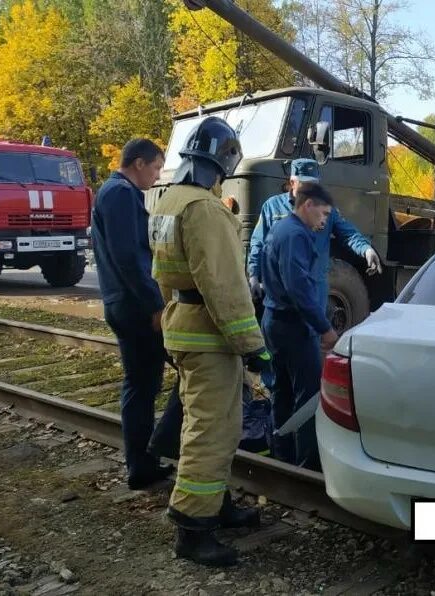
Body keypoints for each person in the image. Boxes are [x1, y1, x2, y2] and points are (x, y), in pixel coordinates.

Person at [149, 116, 272, 567]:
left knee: (205, 423)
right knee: (211, 429)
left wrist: (169, 322)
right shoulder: (206, 209)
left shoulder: (167, 202)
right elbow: (225, 287)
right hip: (209, 336)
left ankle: (214, 503)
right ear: (223, 164)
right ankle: (192, 527)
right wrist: (253, 346)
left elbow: (162, 276)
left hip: (183, 327)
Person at [91, 138, 180, 490]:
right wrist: (155, 306)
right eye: (156, 168)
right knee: (190, 370)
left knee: (143, 386)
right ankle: (152, 453)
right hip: (134, 306)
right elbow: (129, 258)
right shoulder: (120, 194)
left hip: (123, 303)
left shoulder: (114, 193)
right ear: (139, 163)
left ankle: (143, 461)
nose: (157, 177)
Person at [260, 182, 340, 472]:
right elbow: (298, 287)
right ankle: (307, 464)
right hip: (294, 326)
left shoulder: (280, 229)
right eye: (323, 213)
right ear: (308, 205)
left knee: (281, 389)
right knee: (308, 395)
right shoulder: (296, 234)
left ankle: (282, 453)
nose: (324, 221)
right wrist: (324, 327)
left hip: (274, 321)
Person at [246, 158, 382, 309]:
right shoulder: (272, 207)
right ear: (292, 183)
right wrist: (253, 276)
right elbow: (257, 243)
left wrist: (366, 249)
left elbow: (348, 233)